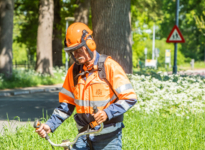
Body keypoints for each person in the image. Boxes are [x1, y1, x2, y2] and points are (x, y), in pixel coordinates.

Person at [36, 22, 137, 150]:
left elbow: (130, 97)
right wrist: (50, 125)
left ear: (90, 44)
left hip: (108, 139)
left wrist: (107, 113)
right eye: (72, 51)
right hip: (83, 136)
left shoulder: (109, 66)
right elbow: (66, 104)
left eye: (78, 50)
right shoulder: (73, 71)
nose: (76, 55)